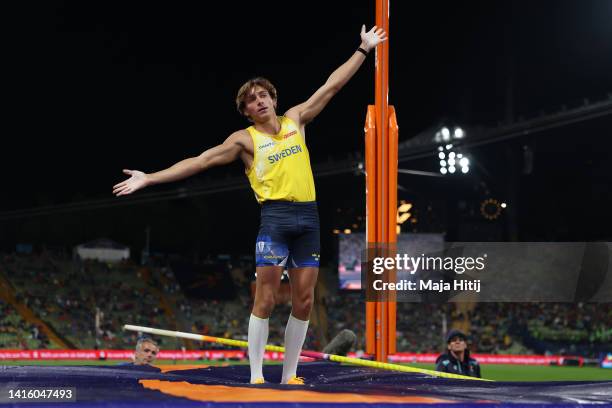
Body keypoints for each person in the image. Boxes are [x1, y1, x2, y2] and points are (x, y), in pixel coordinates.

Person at [113, 25, 387, 384]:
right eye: (251, 100)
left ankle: (290, 375)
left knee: (304, 301)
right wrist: (150, 177)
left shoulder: (296, 120)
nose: (259, 101)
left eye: (263, 95)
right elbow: (200, 161)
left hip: (308, 218)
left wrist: (363, 50)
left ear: (273, 98)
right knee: (267, 299)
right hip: (275, 219)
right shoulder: (245, 140)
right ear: (246, 111)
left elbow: (331, 86)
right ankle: (257, 375)